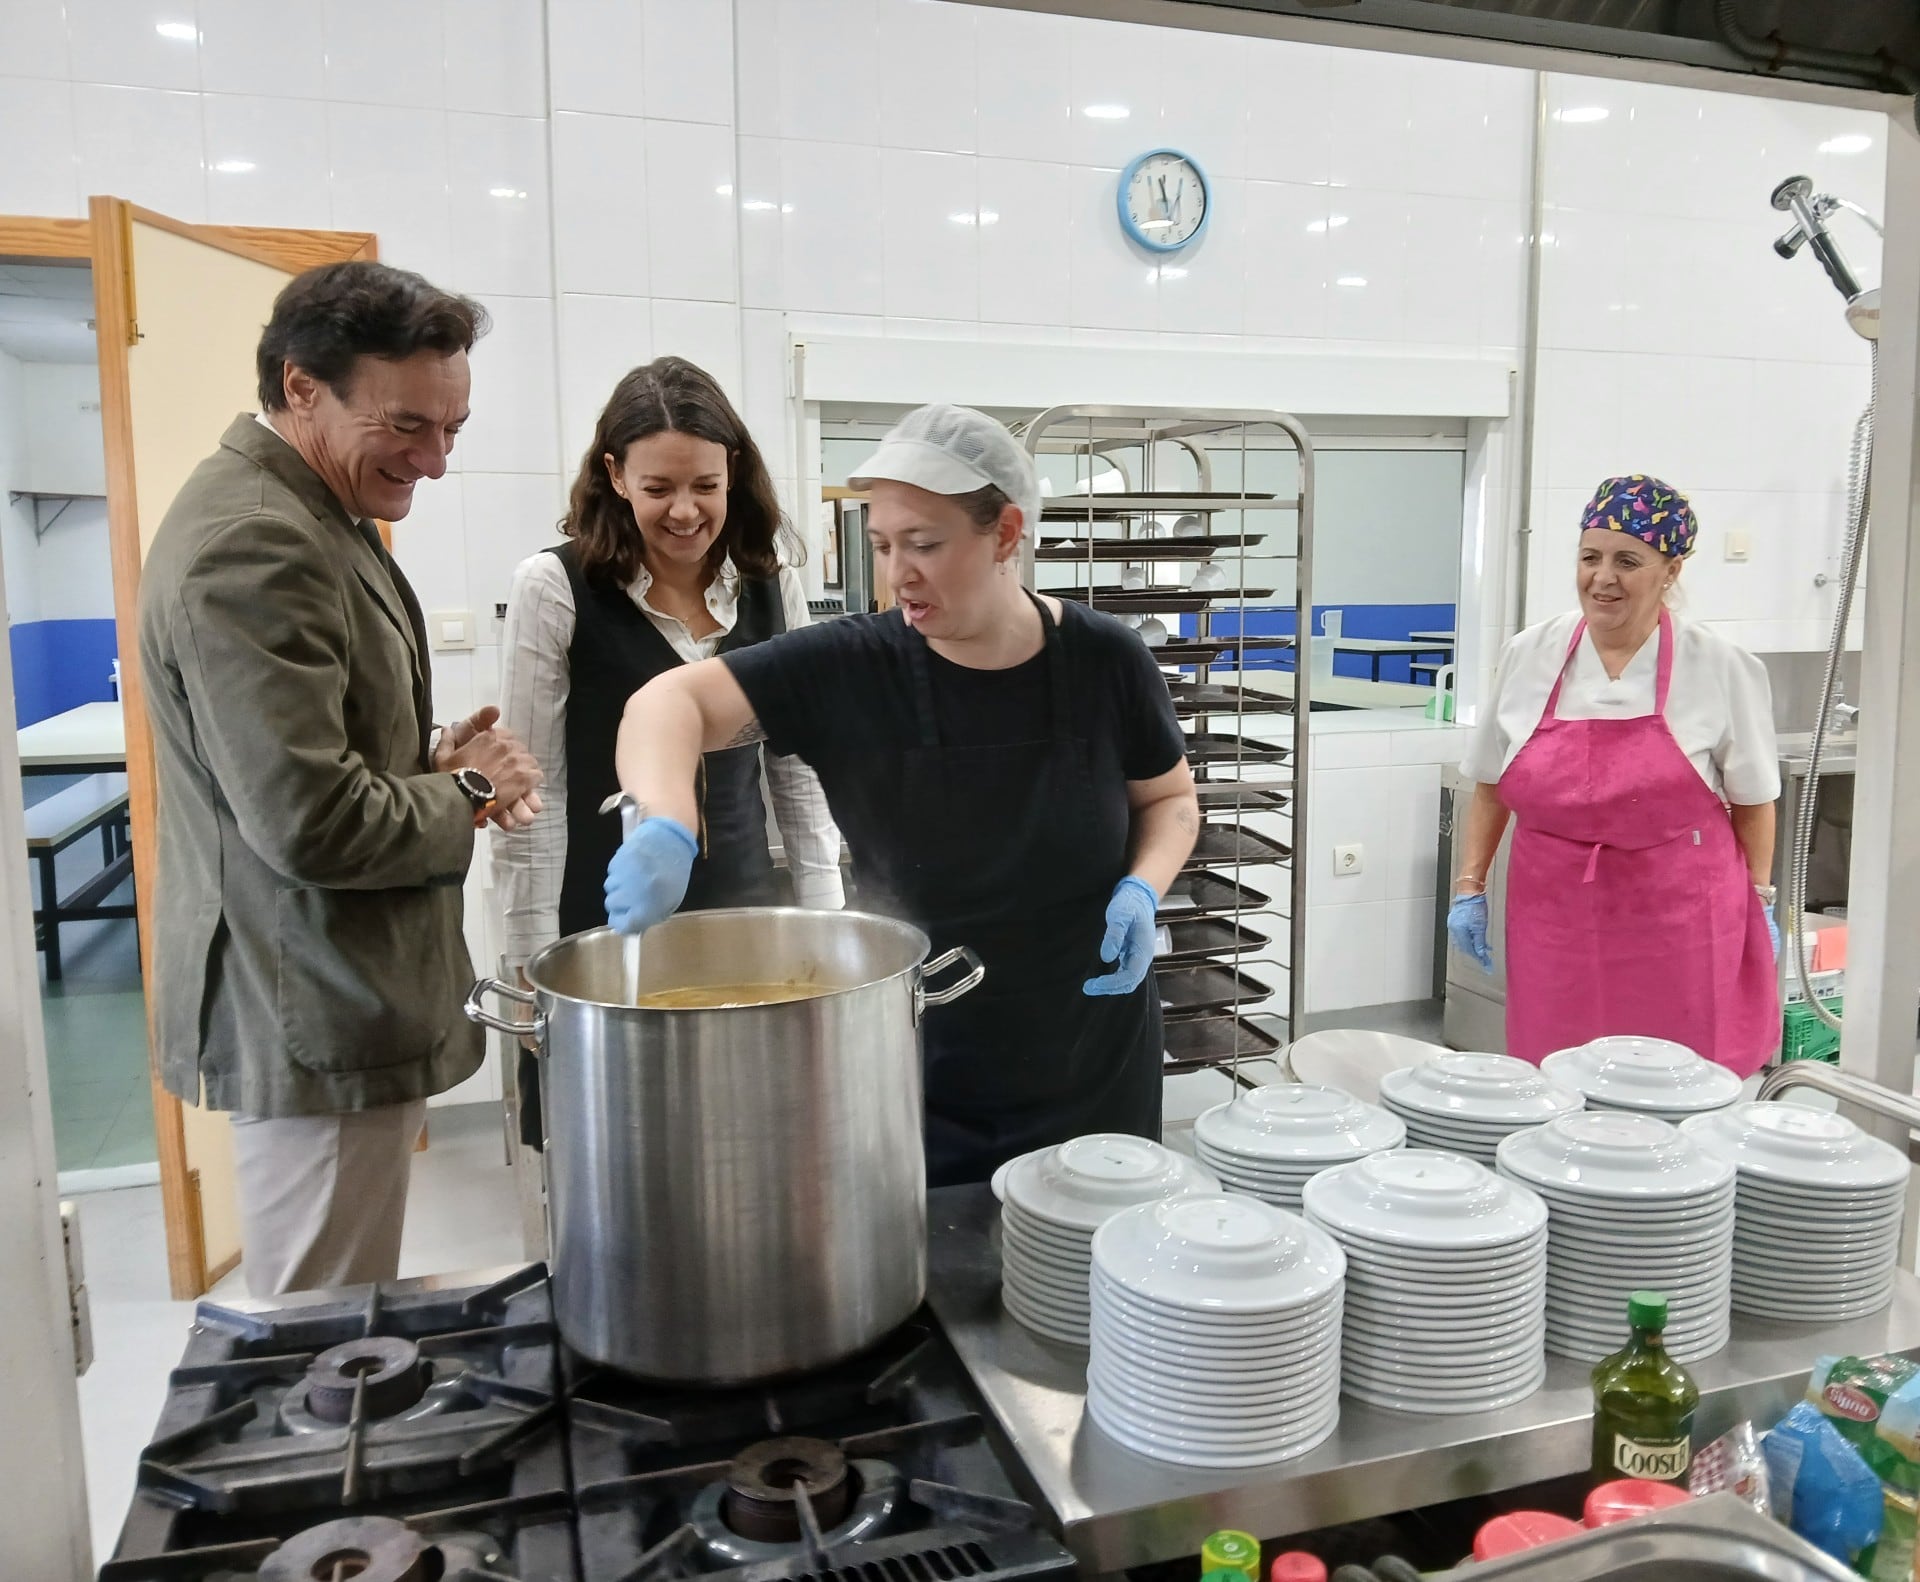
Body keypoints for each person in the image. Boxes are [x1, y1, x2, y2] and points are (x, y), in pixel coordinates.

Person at [602, 403, 1199, 1187]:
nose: (897, 573)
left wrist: (1141, 889)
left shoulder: (1106, 660)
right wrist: (668, 823)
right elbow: (665, 705)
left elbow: (1169, 800)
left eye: (924, 544)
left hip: (1093, 1053)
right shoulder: (854, 667)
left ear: (1007, 533)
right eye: (883, 545)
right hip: (920, 1064)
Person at [138, 261, 544, 1297]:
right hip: (312, 999)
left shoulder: (311, 508)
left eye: (452, 429)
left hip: (332, 989)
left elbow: (321, 751)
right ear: (301, 385)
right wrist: (467, 795)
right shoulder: (257, 539)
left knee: (331, 1310)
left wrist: (437, 760)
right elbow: (309, 818)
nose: (436, 462)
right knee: (313, 1335)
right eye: (408, 426)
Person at [494, 357, 844, 1147]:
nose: (685, 512)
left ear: (734, 474)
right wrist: (529, 954)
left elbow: (796, 769)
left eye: (706, 487)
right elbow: (532, 793)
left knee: (752, 1132)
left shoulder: (769, 585)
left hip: (745, 904)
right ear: (615, 475)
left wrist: (824, 920)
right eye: (658, 489)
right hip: (603, 911)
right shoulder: (555, 590)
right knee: (620, 1144)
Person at [1447, 475, 1781, 1074]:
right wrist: (1470, 886)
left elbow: (1754, 802)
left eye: (1627, 560)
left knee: (1678, 1075)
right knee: (1556, 1069)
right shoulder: (1530, 654)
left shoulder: (1720, 666)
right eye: (1589, 557)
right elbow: (1491, 783)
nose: (1603, 577)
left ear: (1670, 570)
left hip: (1679, 917)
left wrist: (1759, 899)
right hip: (1552, 913)